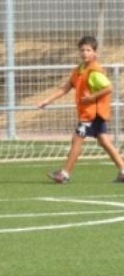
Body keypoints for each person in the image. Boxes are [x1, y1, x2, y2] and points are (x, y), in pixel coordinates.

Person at [37, 35, 124, 184]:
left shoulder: (94, 71)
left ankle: (64, 174)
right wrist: (47, 100)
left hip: (92, 114)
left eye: (88, 50)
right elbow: (65, 88)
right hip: (90, 114)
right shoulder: (78, 70)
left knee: (77, 140)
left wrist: (91, 98)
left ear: (95, 52)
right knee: (104, 141)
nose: (85, 53)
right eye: (82, 50)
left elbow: (109, 88)